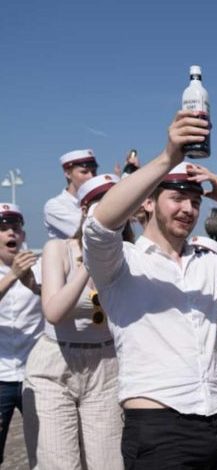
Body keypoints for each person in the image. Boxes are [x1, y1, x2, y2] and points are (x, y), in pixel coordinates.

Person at [83, 110, 217, 469]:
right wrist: (169, 157)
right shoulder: (121, 263)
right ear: (149, 202)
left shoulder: (208, 264)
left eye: (196, 201)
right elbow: (100, 225)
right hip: (160, 428)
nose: (189, 209)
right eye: (177, 198)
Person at [23, 174, 128, 469]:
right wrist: (89, 264)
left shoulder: (128, 256)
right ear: (84, 211)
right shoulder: (58, 249)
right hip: (55, 365)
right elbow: (54, 311)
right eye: (101, 204)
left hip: (105, 368)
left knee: (109, 463)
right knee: (58, 463)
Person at [0, 203, 43, 465]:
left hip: (34, 374)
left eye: (15, 228)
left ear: (24, 235)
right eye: (3, 229)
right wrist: (13, 276)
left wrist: (35, 286)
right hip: (1, 375)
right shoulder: (15, 272)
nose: (10, 234)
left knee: (46, 447)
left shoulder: (38, 267)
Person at [44, 149, 98, 239]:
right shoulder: (54, 206)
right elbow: (91, 232)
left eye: (94, 171)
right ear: (68, 174)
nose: (91, 177)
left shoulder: (98, 200)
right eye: (84, 172)